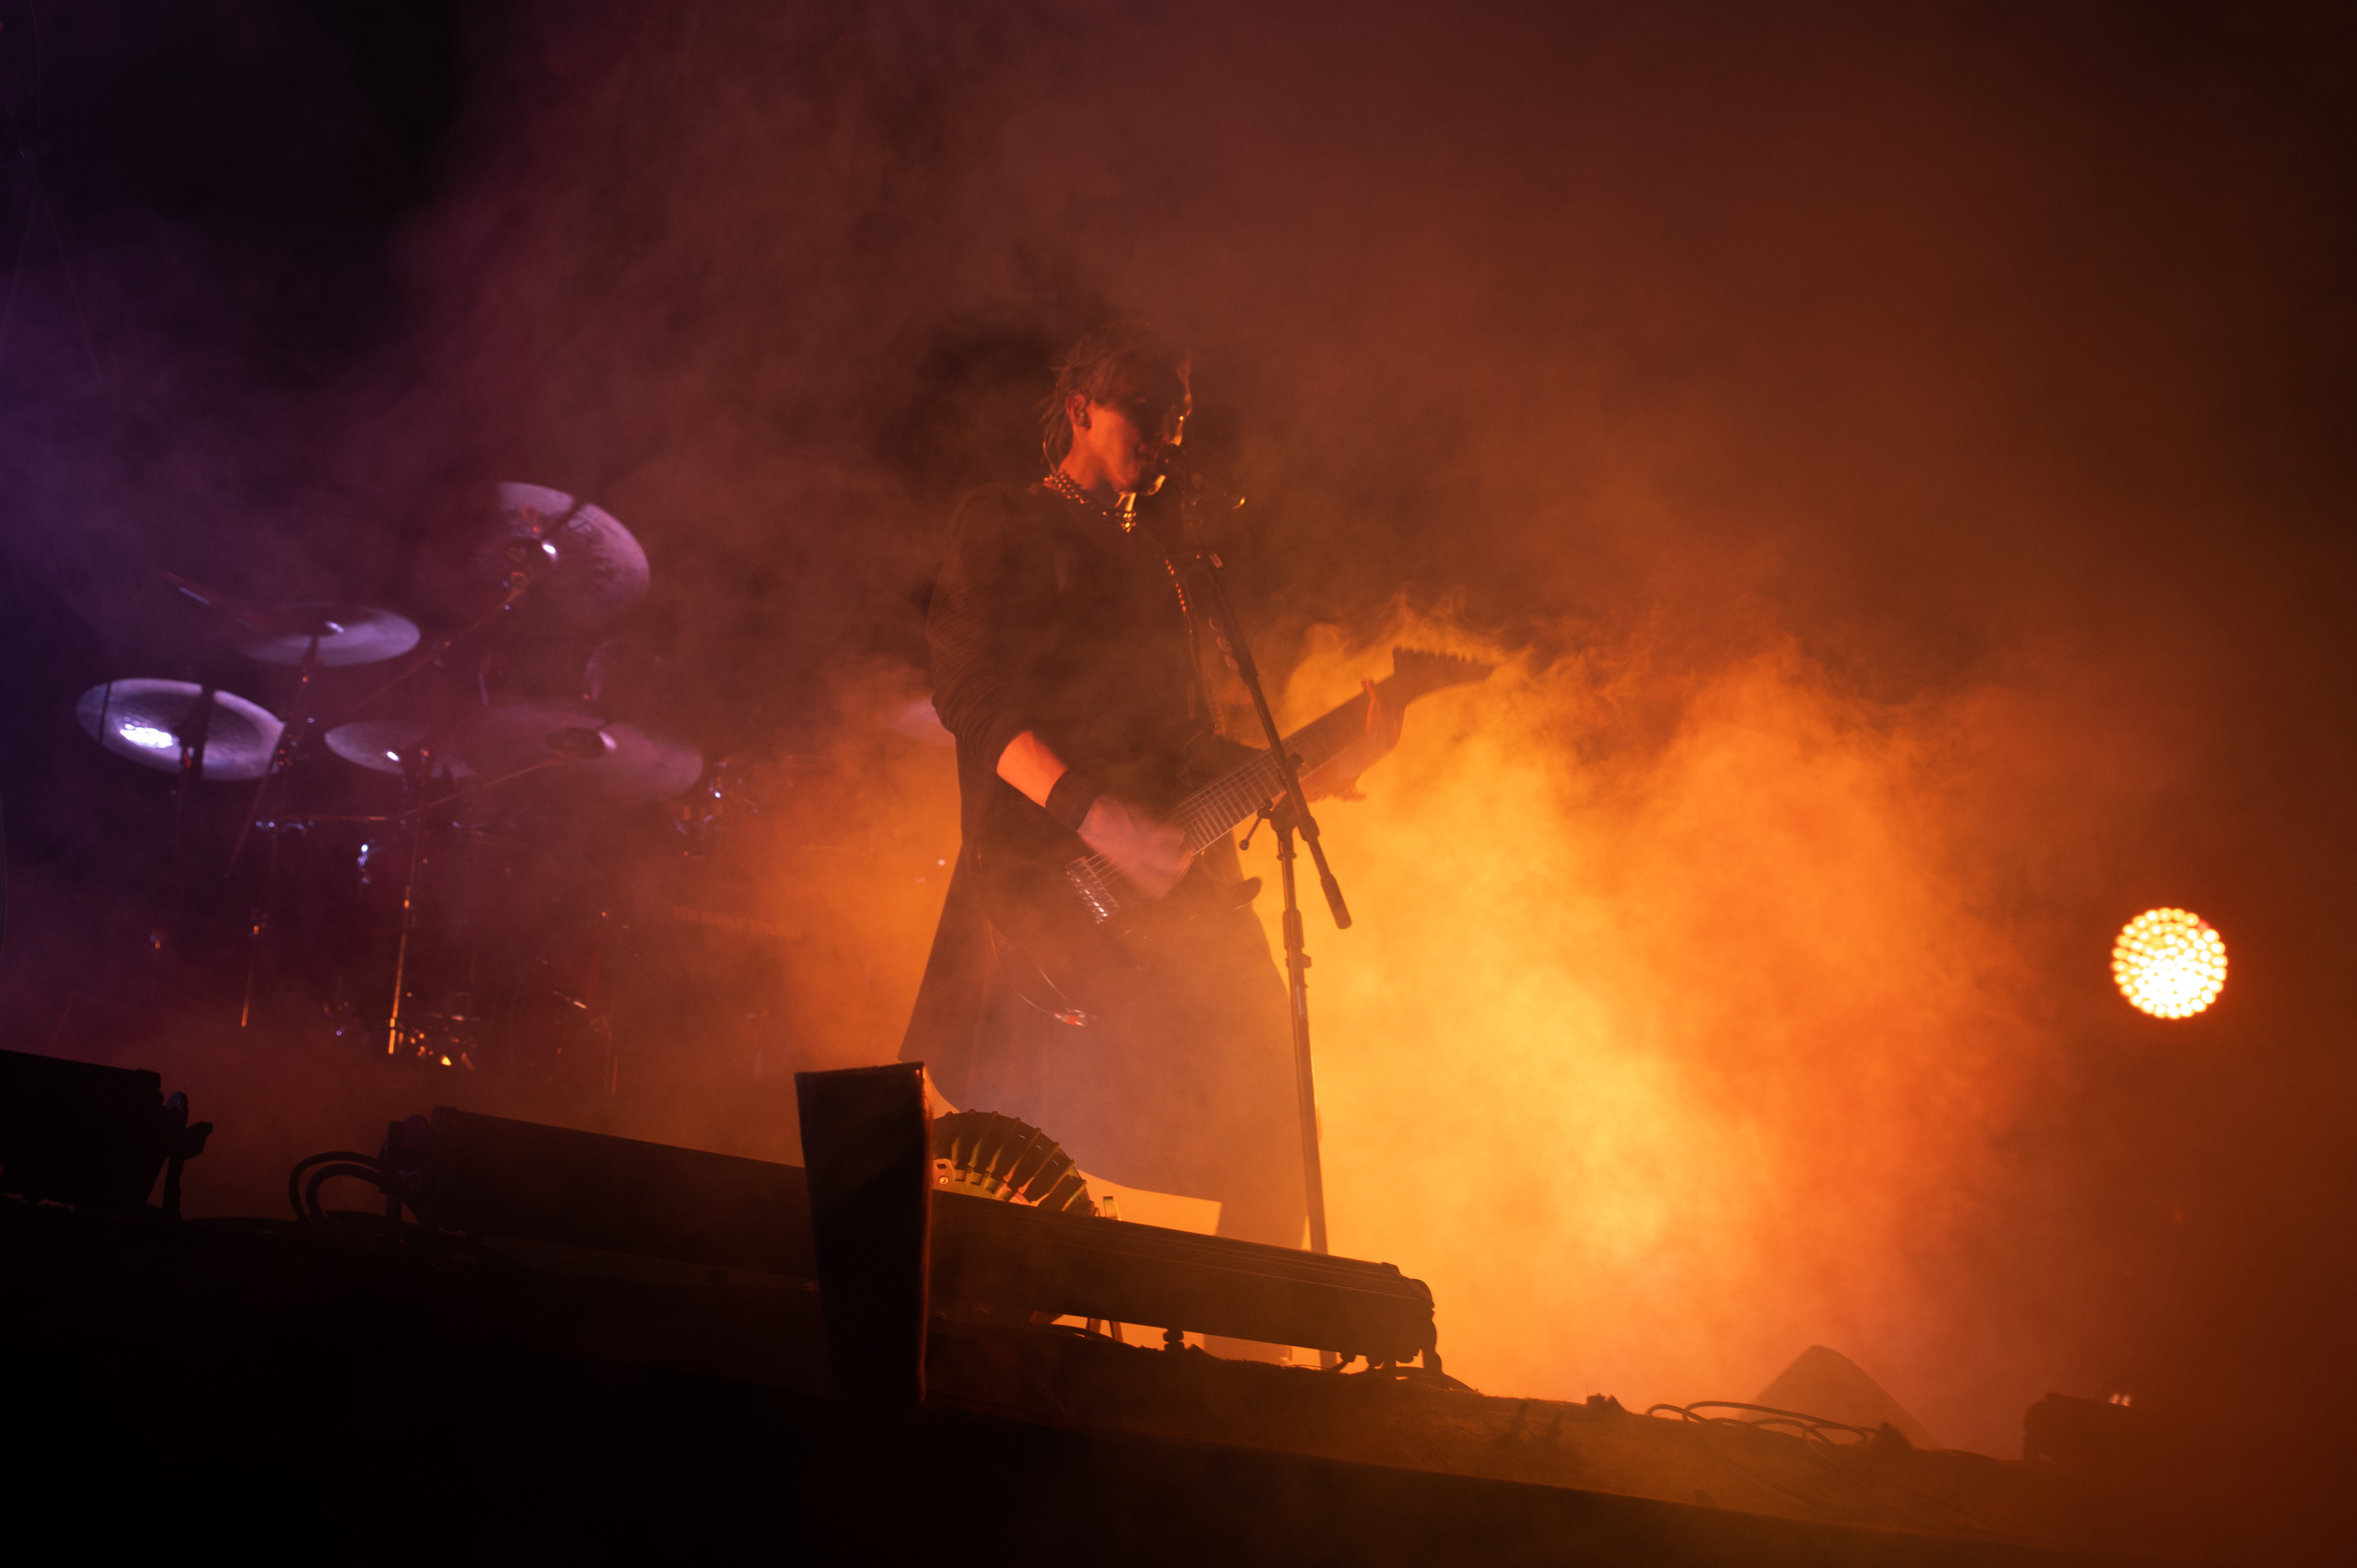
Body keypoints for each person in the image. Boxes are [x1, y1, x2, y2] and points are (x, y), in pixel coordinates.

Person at [899, 320, 1399, 1252]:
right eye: (1147, 412)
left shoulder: (1171, 565)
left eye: (1178, 420)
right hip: (1048, 887)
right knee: (1011, 1159)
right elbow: (969, 694)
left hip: (1174, 895)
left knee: (1277, 1132)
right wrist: (1096, 816)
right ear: (1081, 407)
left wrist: (1321, 767)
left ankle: (1242, 1375)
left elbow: (1183, 749)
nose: (1165, 434)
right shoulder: (1003, 518)